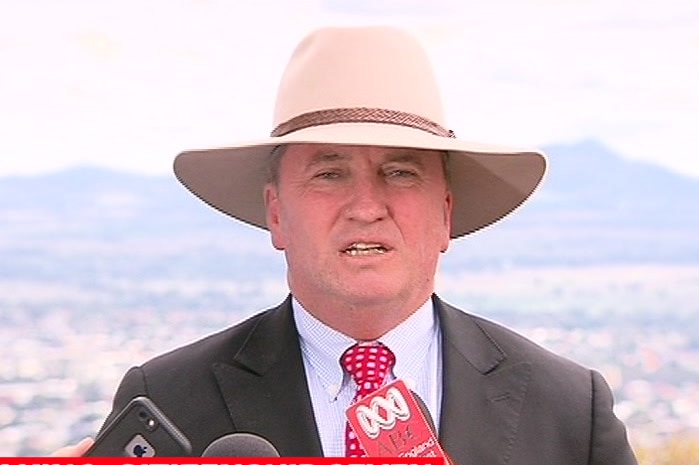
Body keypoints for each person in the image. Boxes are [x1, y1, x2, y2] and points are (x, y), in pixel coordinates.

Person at [58, 26, 638, 463]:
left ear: (445, 214)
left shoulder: (567, 407)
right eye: (329, 173)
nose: (367, 206)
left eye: (402, 172)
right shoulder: (165, 399)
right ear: (277, 214)